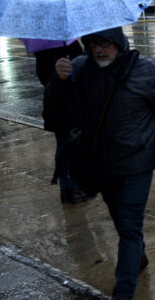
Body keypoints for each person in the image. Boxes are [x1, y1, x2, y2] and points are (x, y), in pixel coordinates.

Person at [45, 27, 155, 300]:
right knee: (119, 219)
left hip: (136, 163)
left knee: (128, 226)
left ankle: (123, 291)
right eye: (93, 44)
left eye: (105, 44)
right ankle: (137, 258)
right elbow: (55, 115)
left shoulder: (148, 72)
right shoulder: (80, 68)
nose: (98, 50)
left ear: (118, 43)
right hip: (100, 163)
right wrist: (58, 80)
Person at [31, 39, 90, 204]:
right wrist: (59, 75)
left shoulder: (69, 44)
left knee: (75, 145)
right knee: (65, 145)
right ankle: (69, 188)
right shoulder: (45, 49)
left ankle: (76, 185)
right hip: (60, 106)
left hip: (73, 104)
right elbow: (44, 78)